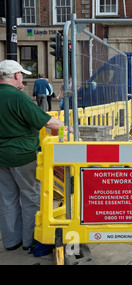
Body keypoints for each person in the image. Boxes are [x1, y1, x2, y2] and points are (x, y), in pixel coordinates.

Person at [0, 60, 72, 253]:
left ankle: (11, 242)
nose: (22, 77)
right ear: (16, 75)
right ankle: (30, 240)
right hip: (23, 155)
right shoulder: (18, 97)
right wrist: (69, 129)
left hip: (1, 157)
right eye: (21, 74)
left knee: (7, 199)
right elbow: (47, 122)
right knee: (31, 197)